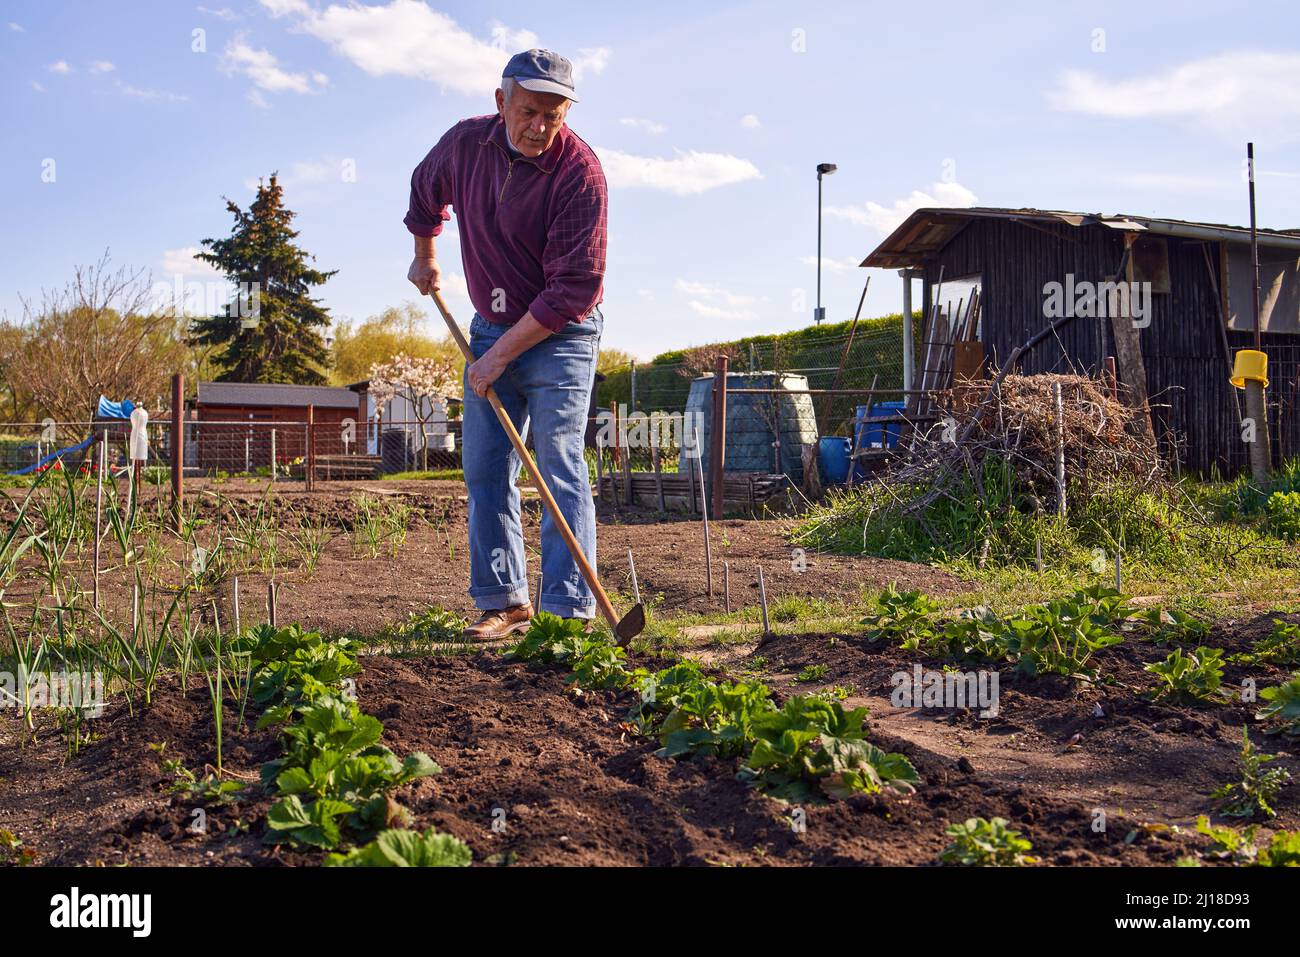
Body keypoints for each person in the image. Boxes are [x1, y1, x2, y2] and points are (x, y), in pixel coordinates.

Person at [404, 49, 608, 640]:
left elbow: (573, 288)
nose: (540, 127)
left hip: (561, 336)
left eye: (553, 115)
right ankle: (504, 602)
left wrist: (497, 357)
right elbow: (424, 192)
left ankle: (567, 611)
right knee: (486, 469)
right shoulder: (466, 145)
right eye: (528, 111)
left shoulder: (580, 174)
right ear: (501, 103)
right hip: (491, 326)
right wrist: (425, 257)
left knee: (559, 464)